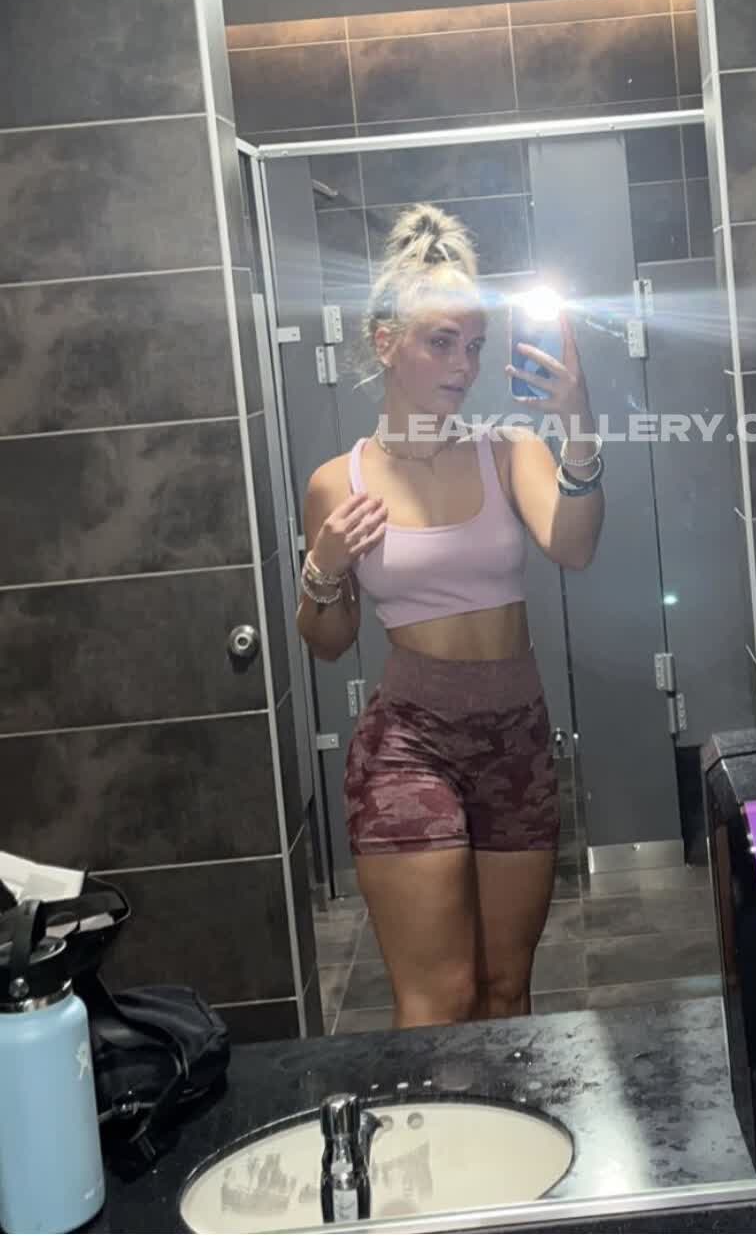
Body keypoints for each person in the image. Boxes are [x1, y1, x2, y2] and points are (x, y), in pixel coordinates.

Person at [296, 203, 605, 1028]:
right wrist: (323, 567)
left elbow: (573, 545)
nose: (464, 364)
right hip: (409, 744)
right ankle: (430, 1121)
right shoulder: (338, 481)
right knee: (442, 998)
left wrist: (577, 430)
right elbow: (328, 641)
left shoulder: (509, 450)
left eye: (474, 344)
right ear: (385, 341)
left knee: (507, 989)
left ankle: (505, 1122)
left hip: (518, 736)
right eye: (442, 341)